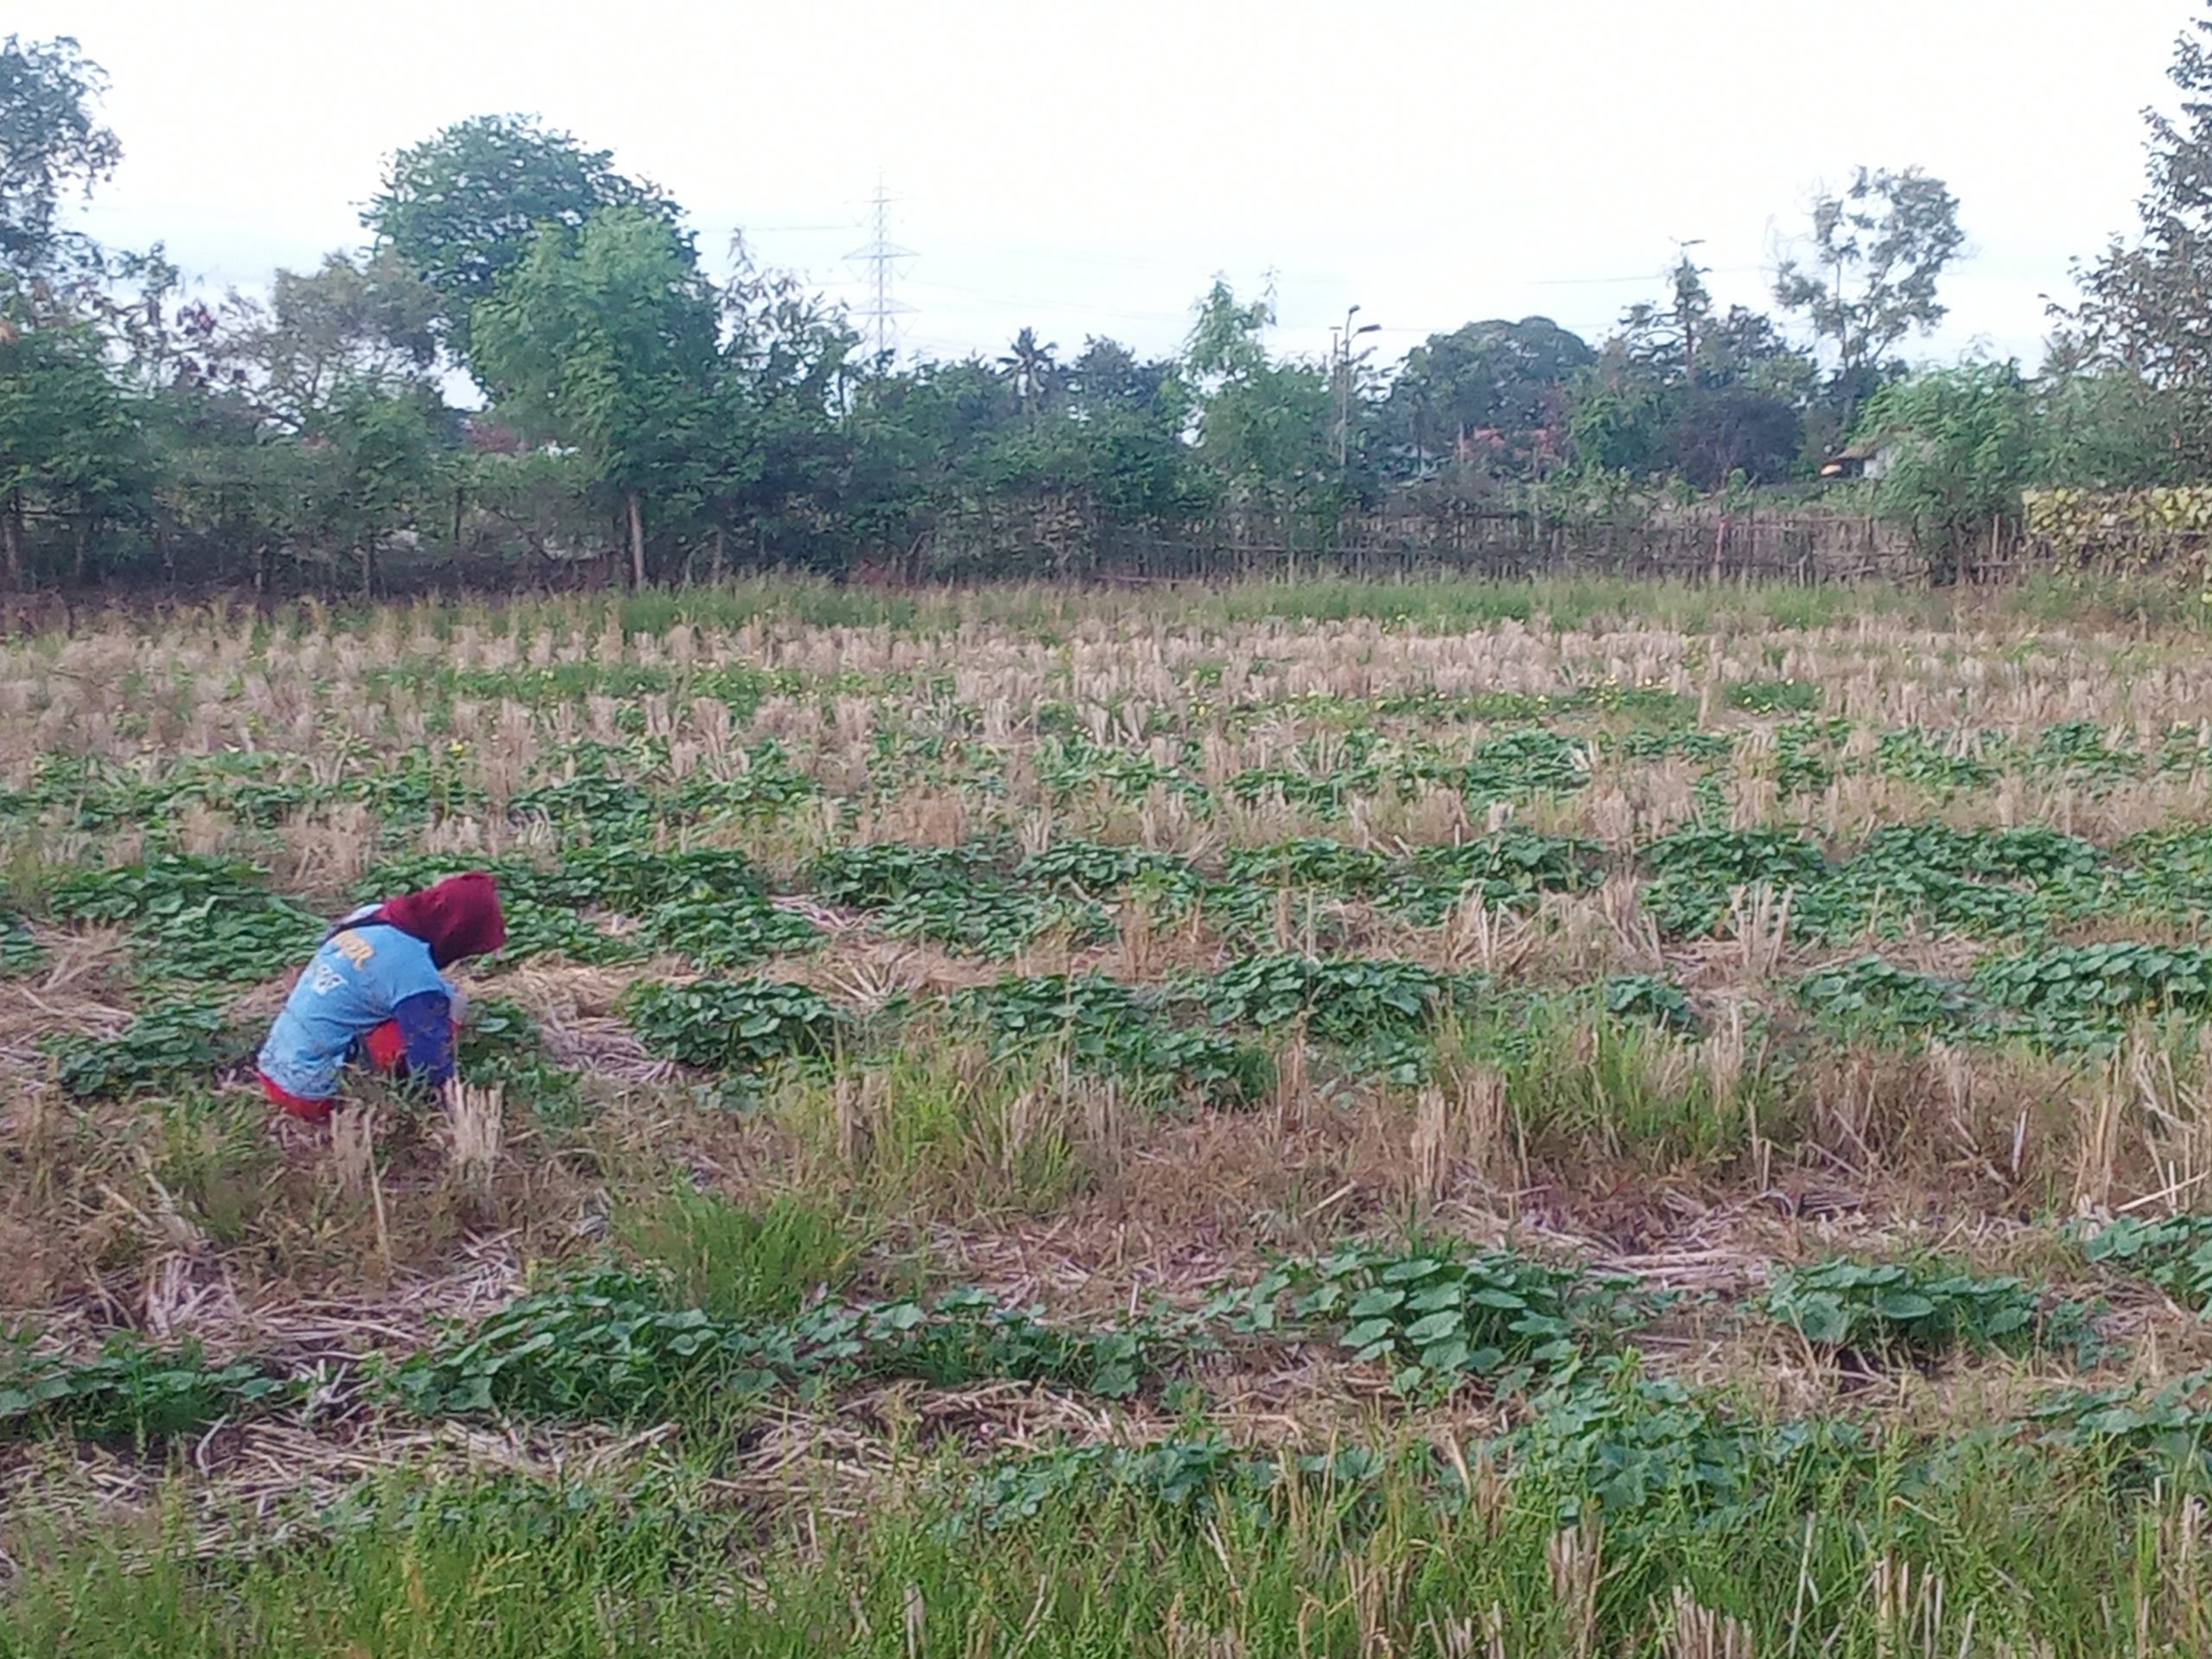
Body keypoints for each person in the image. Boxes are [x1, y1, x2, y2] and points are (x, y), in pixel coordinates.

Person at [257, 871, 506, 1122]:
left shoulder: (370, 914)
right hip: (312, 1095)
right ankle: (378, 1085)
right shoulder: (412, 972)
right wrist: (454, 1108)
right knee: (450, 1004)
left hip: (270, 1068)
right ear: (459, 932)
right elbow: (430, 1062)